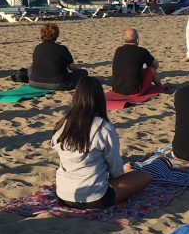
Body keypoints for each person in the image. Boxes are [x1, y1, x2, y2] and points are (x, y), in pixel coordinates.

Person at [51, 76, 153, 208]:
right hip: (95, 197)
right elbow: (116, 172)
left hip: (63, 195)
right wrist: (124, 172)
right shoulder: (103, 127)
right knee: (145, 176)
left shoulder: (62, 125)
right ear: (100, 98)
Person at [28, 23, 88, 90]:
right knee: (83, 72)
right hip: (57, 84)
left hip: (34, 82)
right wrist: (78, 71)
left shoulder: (37, 47)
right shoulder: (62, 48)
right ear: (56, 35)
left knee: (30, 69)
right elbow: (73, 68)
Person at [111, 28, 163, 96]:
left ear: (125, 39)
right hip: (135, 91)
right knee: (151, 70)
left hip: (116, 89)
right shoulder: (142, 51)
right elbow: (155, 65)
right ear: (137, 40)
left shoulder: (118, 50)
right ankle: (160, 87)